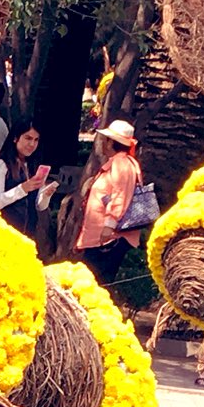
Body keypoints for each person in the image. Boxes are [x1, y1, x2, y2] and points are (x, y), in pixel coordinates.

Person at [76, 119, 144, 288]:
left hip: (107, 238)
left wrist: (109, 225)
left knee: (94, 285)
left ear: (112, 142)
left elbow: (120, 195)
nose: (104, 143)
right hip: (102, 237)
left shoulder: (121, 164)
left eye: (107, 139)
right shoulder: (120, 163)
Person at [0, 121, 53, 235]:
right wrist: (22, 189)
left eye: (36, 140)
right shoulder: (1, 165)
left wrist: (46, 195)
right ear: (15, 138)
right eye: (28, 138)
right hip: (4, 231)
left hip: (28, 233)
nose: (32, 144)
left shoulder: (32, 166)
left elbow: (39, 206)